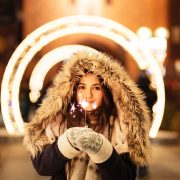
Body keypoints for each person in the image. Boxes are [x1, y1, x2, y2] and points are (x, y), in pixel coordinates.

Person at [23, 50, 151, 180]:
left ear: (106, 91)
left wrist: (101, 148)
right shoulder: (58, 121)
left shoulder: (121, 126)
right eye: (82, 87)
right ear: (73, 90)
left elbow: (126, 176)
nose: (88, 95)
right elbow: (42, 167)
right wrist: (67, 142)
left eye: (96, 88)